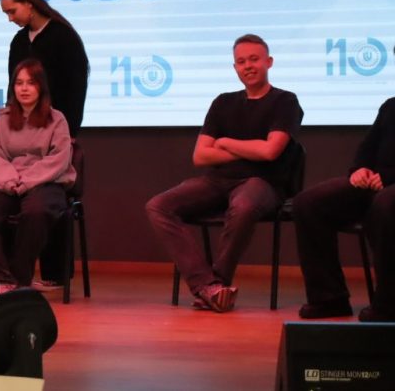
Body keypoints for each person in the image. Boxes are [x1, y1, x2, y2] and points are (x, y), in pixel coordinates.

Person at [145, 34, 303, 312]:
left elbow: (270, 152)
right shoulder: (223, 102)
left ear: (269, 62)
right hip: (218, 181)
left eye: (254, 59)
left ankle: (216, 283)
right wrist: (251, 148)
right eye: (241, 62)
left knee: (244, 205)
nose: (248, 66)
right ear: (235, 68)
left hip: (263, 182)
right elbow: (201, 156)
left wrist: (227, 142)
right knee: (158, 205)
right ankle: (208, 286)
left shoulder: (285, 101)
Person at [0, 0, 89, 291]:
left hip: (57, 134)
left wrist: (70, 132)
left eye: (12, 11)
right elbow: (12, 86)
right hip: (23, 135)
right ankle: (10, 273)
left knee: (51, 198)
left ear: (29, 4)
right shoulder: (18, 42)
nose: (10, 18)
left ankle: (55, 273)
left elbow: (76, 88)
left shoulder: (64, 37)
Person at [0, 59, 74, 296]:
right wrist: (9, 181)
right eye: (19, 83)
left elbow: (59, 159)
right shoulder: (4, 119)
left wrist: (28, 181)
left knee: (36, 211)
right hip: (11, 184)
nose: (24, 88)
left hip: (46, 183)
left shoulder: (57, 119)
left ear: (41, 87)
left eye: (30, 83)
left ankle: (18, 279)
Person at [293, 93, 395, 322]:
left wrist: (389, 176)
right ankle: (329, 299)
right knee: (308, 204)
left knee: (385, 205)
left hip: (388, 186)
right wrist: (360, 169)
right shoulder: (391, 106)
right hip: (375, 181)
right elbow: (368, 147)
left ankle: (388, 303)